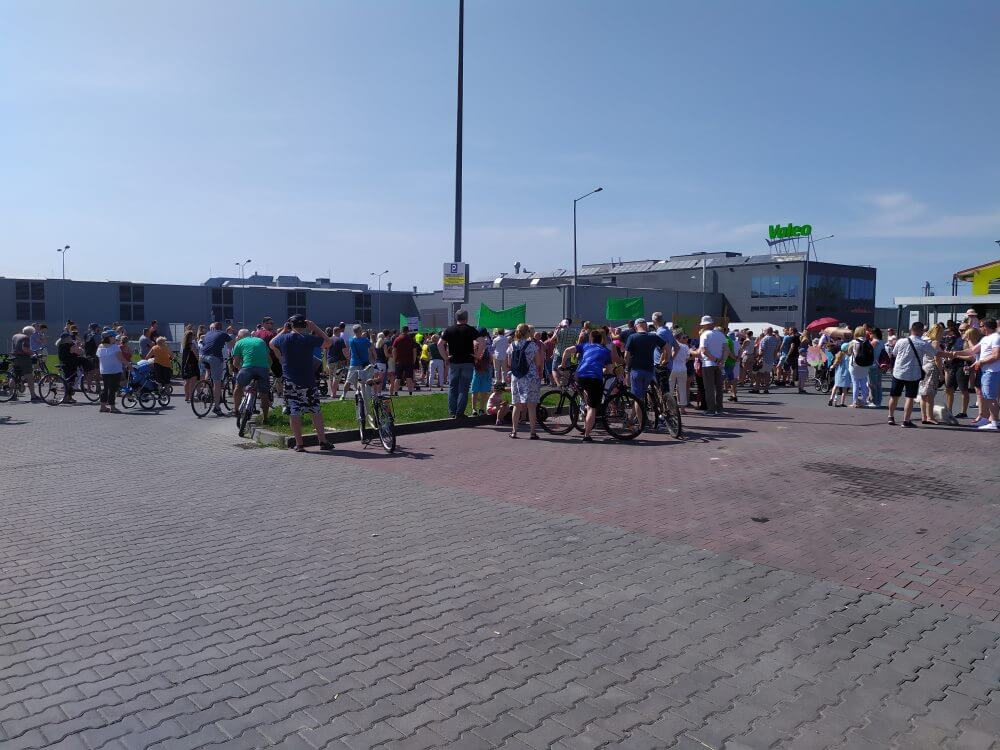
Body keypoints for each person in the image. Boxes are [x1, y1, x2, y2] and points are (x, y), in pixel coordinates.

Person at [270, 316, 333, 452]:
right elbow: (328, 342)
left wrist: (284, 330)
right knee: (315, 411)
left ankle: (299, 444)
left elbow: (271, 343)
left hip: (291, 381)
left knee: (294, 411)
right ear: (304, 325)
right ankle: (322, 441)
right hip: (308, 381)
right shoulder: (308, 339)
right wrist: (315, 328)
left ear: (291, 325)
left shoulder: (283, 338)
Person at [886, 321, 950, 428]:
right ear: (921, 331)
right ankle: (906, 421)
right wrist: (951, 354)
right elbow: (935, 354)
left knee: (894, 396)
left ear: (911, 329)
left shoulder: (901, 341)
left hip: (898, 372)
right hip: (913, 374)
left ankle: (890, 417)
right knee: (909, 398)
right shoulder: (923, 344)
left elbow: (894, 353)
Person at [561, 328, 620, 441]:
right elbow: (609, 370)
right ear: (601, 339)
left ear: (590, 339)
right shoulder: (605, 351)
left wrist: (563, 365)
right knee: (592, 408)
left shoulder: (585, 346)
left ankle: (585, 409)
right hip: (594, 378)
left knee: (586, 395)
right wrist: (602, 370)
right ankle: (587, 435)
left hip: (580, 376)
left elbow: (567, 350)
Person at [954, 319, 1000, 430]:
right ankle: (985, 419)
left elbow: (996, 355)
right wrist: (955, 353)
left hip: (992, 372)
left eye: (981, 326)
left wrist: (981, 362)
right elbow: (973, 350)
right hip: (985, 372)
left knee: (991, 398)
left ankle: (994, 422)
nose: (979, 328)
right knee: (986, 397)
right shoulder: (985, 338)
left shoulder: (996, 338)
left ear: (986, 327)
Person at [438, 309, 483, 418]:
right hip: (468, 362)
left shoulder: (449, 330)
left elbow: (439, 344)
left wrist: (445, 358)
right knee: (464, 388)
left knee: (453, 387)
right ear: (466, 318)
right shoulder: (471, 330)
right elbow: (482, 342)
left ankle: (452, 411)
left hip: (454, 362)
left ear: (456, 318)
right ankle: (460, 412)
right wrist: (477, 356)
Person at [624, 318, 670, 420]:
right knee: (642, 395)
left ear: (636, 327)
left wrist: (627, 368)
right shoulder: (653, 336)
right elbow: (667, 347)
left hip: (636, 370)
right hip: (649, 370)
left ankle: (641, 424)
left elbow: (626, 355)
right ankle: (631, 419)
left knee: (637, 399)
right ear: (646, 326)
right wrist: (665, 359)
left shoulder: (632, 337)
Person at [507, 323, 543, 439]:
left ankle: (514, 431)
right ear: (527, 332)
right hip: (530, 376)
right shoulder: (532, 345)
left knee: (516, 405)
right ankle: (532, 432)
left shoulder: (512, 345)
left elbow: (509, 363)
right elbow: (538, 362)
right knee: (531, 406)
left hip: (516, 377)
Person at [231, 328, 273, 423]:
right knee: (264, 394)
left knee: (238, 386)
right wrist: (268, 369)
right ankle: (265, 418)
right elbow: (269, 359)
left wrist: (241, 369)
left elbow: (235, 363)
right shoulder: (260, 341)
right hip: (263, 369)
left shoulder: (239, 343)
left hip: (247, 368)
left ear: (240, 336)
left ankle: (236, 409)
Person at [696, 316, 727, 415]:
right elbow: (726, 349)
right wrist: (721, 361)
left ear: (706, 325)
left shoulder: (704, 334)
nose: (703, 326)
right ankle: (720, 408)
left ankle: (711, 409)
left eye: (703, 325)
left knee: (709, 388)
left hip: (708, 364)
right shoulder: (721, 334)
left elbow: (704, 350)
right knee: (719, 388)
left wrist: (715, 359)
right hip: (719, 365)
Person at [200, 322, 231, 415]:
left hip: (203, 356)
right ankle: (217, 407)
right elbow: (233, 345)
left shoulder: (208, 333)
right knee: (217, 383)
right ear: (221, 328)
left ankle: (206, 389)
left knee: (208, 373)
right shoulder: (222, 333)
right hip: (214, 357)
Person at [918, 323, 944, 424]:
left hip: (924, 367)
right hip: (932, 368)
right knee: (930, 394)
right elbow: (937, 358)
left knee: (923, 393)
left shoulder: (924, 340)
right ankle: (930, 417)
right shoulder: (935, 342)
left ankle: (924, 416)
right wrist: (941, 373)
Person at [96, 331, 129, 413]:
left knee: (105, 388)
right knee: (113, 389)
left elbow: (100, 360)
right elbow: (121, 358)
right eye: (114, 337)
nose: (115, 338)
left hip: (104, 370)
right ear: (110, 337)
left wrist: (100, 370)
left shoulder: (100, 347)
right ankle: (113, 407)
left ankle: (103, 406)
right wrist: (129, 365)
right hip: (114, 370)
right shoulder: (115, 347)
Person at [9, 326, 41, 401]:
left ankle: (11, 395)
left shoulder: (15, 336)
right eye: (32, 333)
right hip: (23, 358)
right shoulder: (26, 338)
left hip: (15, 357)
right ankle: (33, 396)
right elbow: (25, 349)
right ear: (30, 333)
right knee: (29, 376)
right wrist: (33, 353)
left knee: (14, 376)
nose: (31, 335)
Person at [343, 325, 374, 400]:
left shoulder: (351, 340)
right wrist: (370, 336)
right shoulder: (365, 340)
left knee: (348, 380)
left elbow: (351, 350)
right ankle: (363, 394)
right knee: (364, 380)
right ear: (360, 331)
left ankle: (343, 395)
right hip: (364, 363)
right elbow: (372, 346)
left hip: (354, 363)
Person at [846, 326, 872, 407]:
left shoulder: (853, 342)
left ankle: (855, 402)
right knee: (864, 383)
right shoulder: (868, 342)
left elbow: (849, 352)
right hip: (865, 365)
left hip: (855, 365)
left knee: (855, 384)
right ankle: (864, 401)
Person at [470, 327, 493, 415]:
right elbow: (491, 358)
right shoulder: (489, 343)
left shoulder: (474, 342)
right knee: (484, 390)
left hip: (477, 368)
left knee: (475, 390)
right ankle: (482, 409)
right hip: (486, 369)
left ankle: (474, 409)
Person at [55, 332, 82, 403]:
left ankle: (69, 397)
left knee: (70, 381)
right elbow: (79, 352)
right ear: (66, 339)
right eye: (69, 337)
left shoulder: (62, 345)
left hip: (67, 364)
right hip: (69, 365)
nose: (71, 338)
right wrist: (78, 346)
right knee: (70, 381)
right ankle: (66, 397)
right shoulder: (67, 345)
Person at [391, 326, 418, 396]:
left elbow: (394, 350)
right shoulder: (411, 339)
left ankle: (396, 392)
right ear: (408, 331)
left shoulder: (397, 339)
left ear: (401, 331)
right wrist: (414, 360)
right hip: (409, 361)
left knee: (398, 377)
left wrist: (394, 359)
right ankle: (410, 392)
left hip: (399, 361)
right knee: (409, 378)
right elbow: (414, 350)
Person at [669, 331, 691, 414]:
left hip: (672, 369)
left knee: (670, 389)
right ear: (680, 337)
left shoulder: (670, 346)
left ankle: (670, 408)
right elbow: (687, 358)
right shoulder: (685, 346)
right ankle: (682, 409)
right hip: (682, 368)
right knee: (682, 389)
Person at [326, 325, 349, 399]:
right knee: (336, 378)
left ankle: (332, 393)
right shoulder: (340, 340)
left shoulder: (329, 339)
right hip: (338, 361)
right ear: (338, 332)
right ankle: (334, 394)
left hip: (329, 361)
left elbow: (326, 350)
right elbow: (345, 351)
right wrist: (347, 358)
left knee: (331, 378)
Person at [868, 328, 886, 408]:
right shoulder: (881, 342)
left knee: (872, 384)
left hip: (873, 365)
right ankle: (878, 401)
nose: (869, 335)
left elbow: (868, 352)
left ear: (874, 334)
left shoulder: (874, 342)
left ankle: (874, 401)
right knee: (878, 384)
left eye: (870, 333)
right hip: (880, 365)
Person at [180, 329, 200, 401]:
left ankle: (186, 396)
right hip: (192, 364)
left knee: (186, 381)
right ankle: (191, 396)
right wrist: (200, 360)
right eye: (193, 335)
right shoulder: (192, 345)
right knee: (192, 381)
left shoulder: (183, 345)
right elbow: (197, 355)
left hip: (185, 364)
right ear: (190, 337)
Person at [829, 342, 851, 407]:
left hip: (839, 372)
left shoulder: (839, 354)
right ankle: (842, 402)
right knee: (844, 389)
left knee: (835, 386)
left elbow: (835, 363)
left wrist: (832, 367)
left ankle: (831, 399)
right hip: (846, 372)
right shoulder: (849, 355)